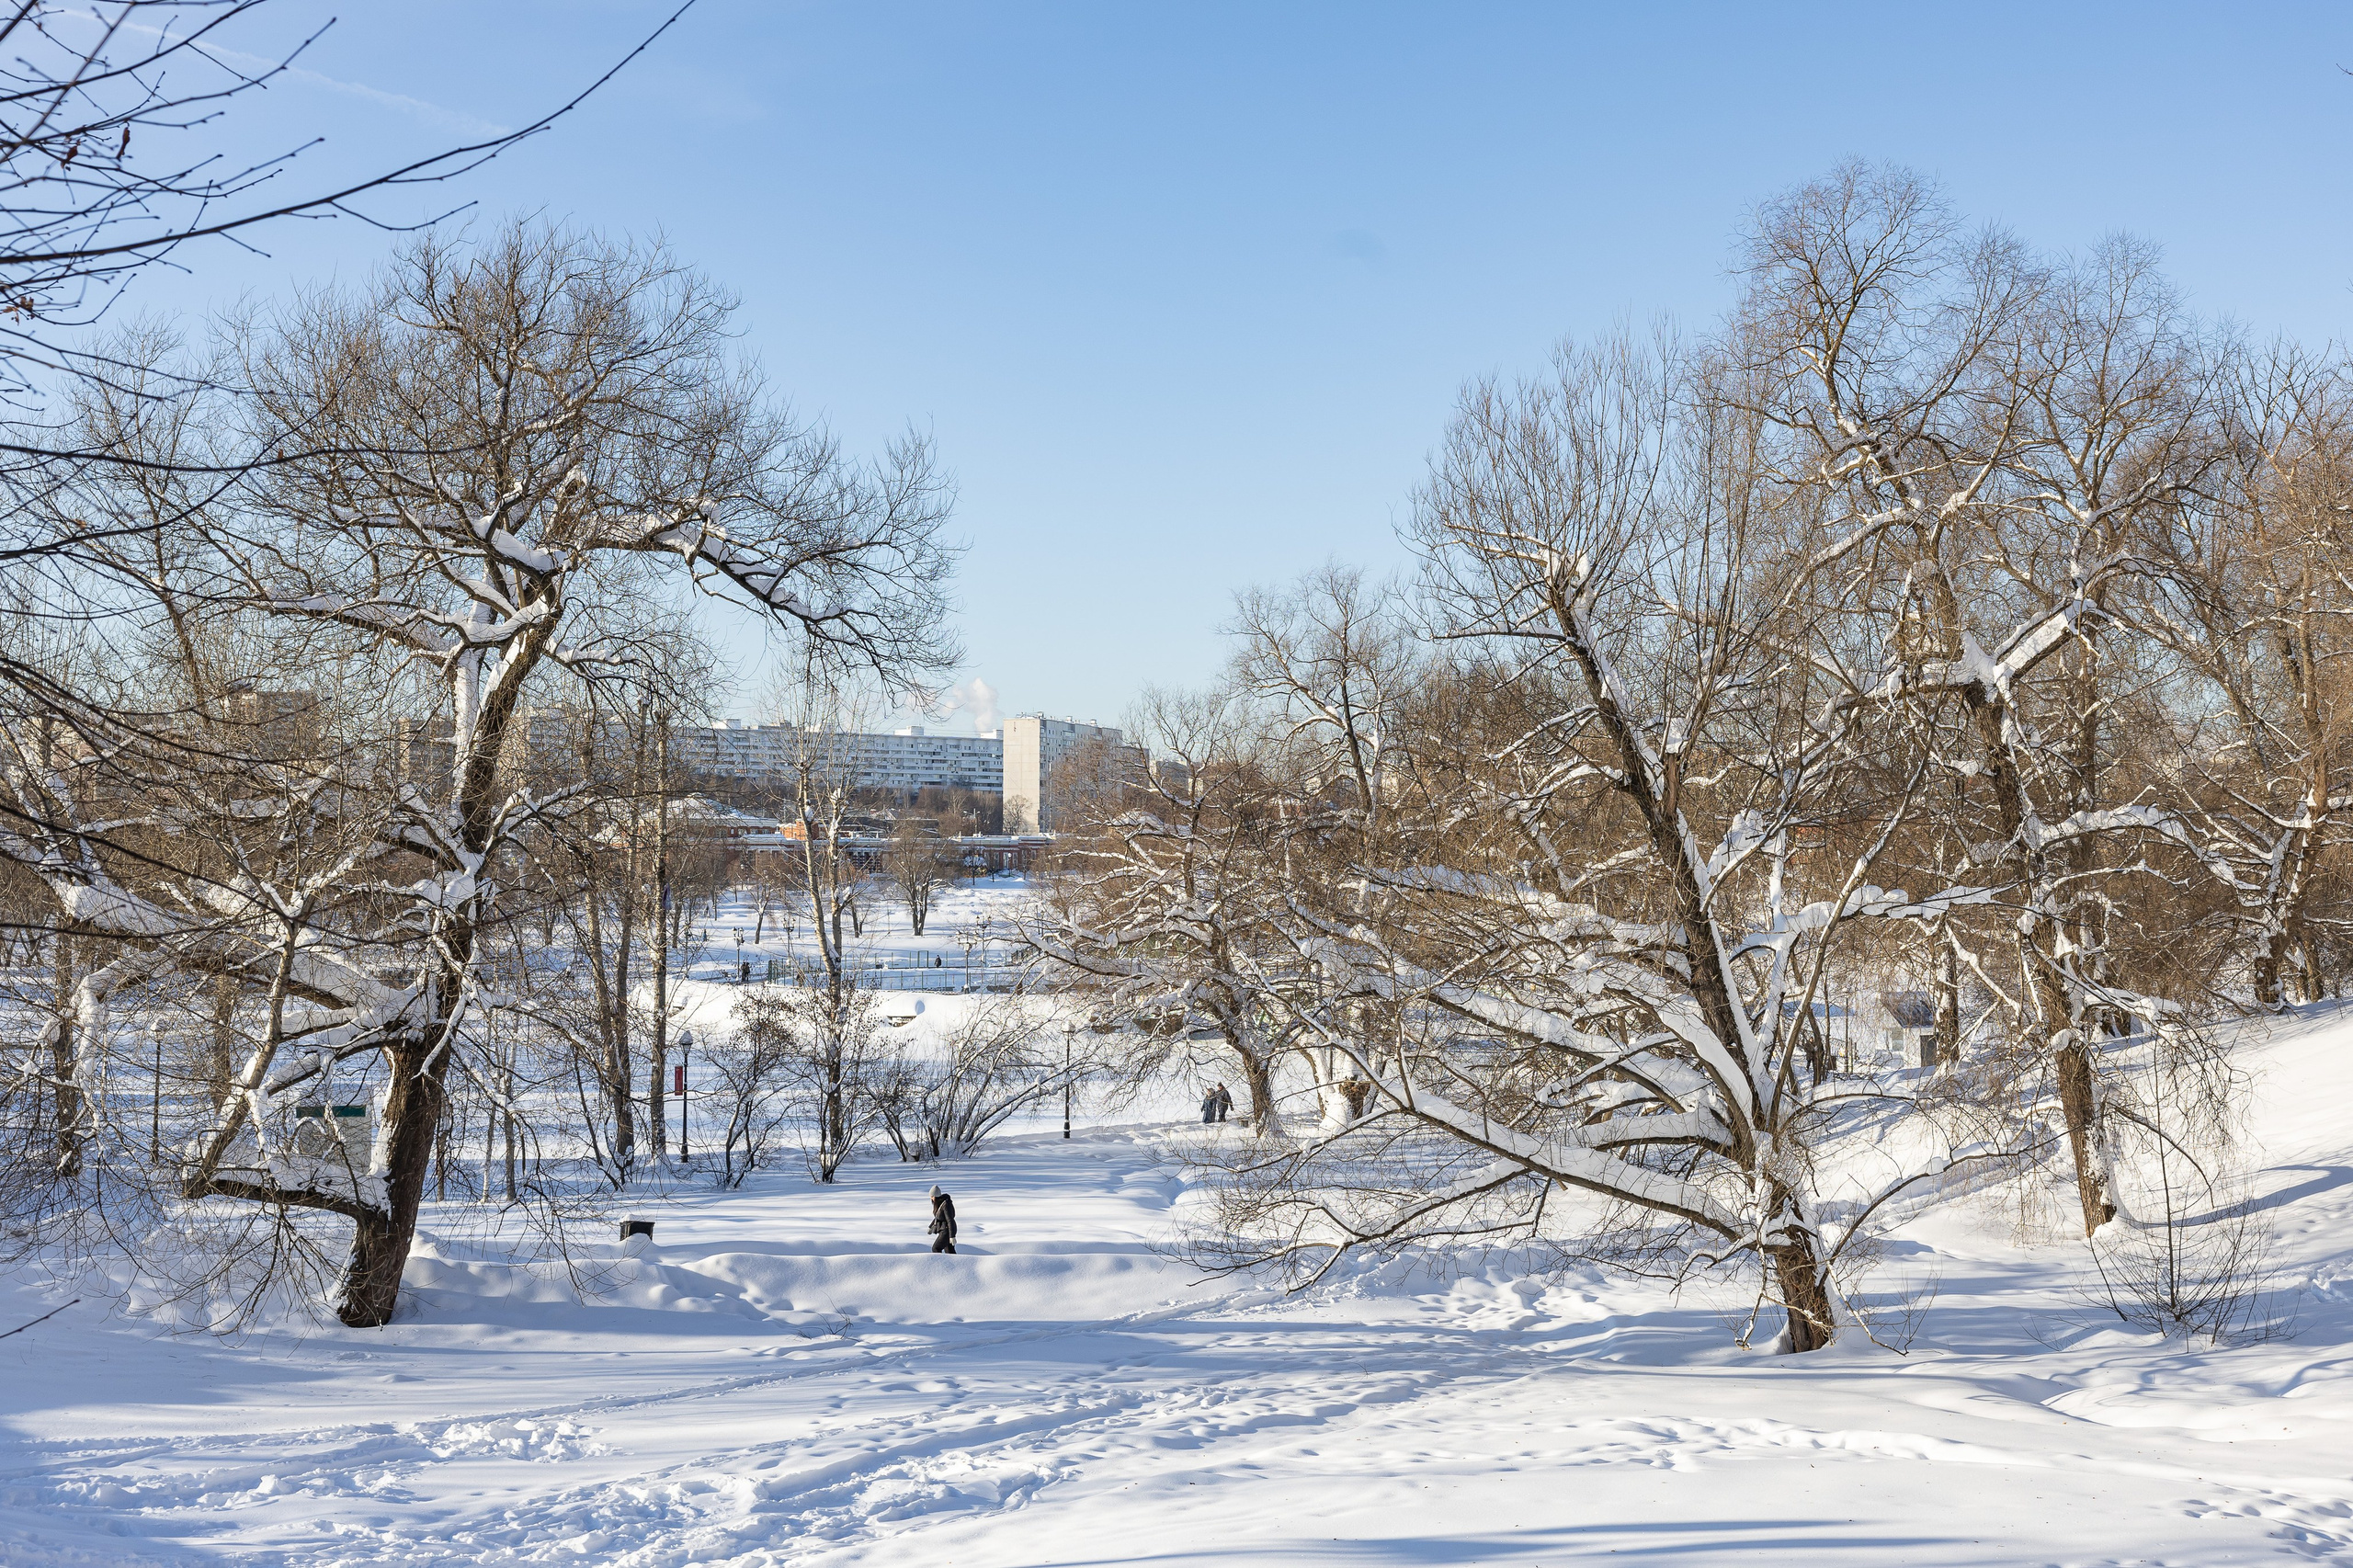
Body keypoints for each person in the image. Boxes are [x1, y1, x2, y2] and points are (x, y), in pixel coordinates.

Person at [927, 1184, 958, 1255]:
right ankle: (956, 1262)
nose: (931, 1199)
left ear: (935, 1196)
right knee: (949, 1251)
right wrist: (930, 1227)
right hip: (944, 1230)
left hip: (947, 1231)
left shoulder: (946, 1204)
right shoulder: (940, 1204)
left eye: (932, 1197)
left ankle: (939, 1261)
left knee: (936, 1248)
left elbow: (950, 1220)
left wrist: (952, 1236)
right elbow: (938, 1217)